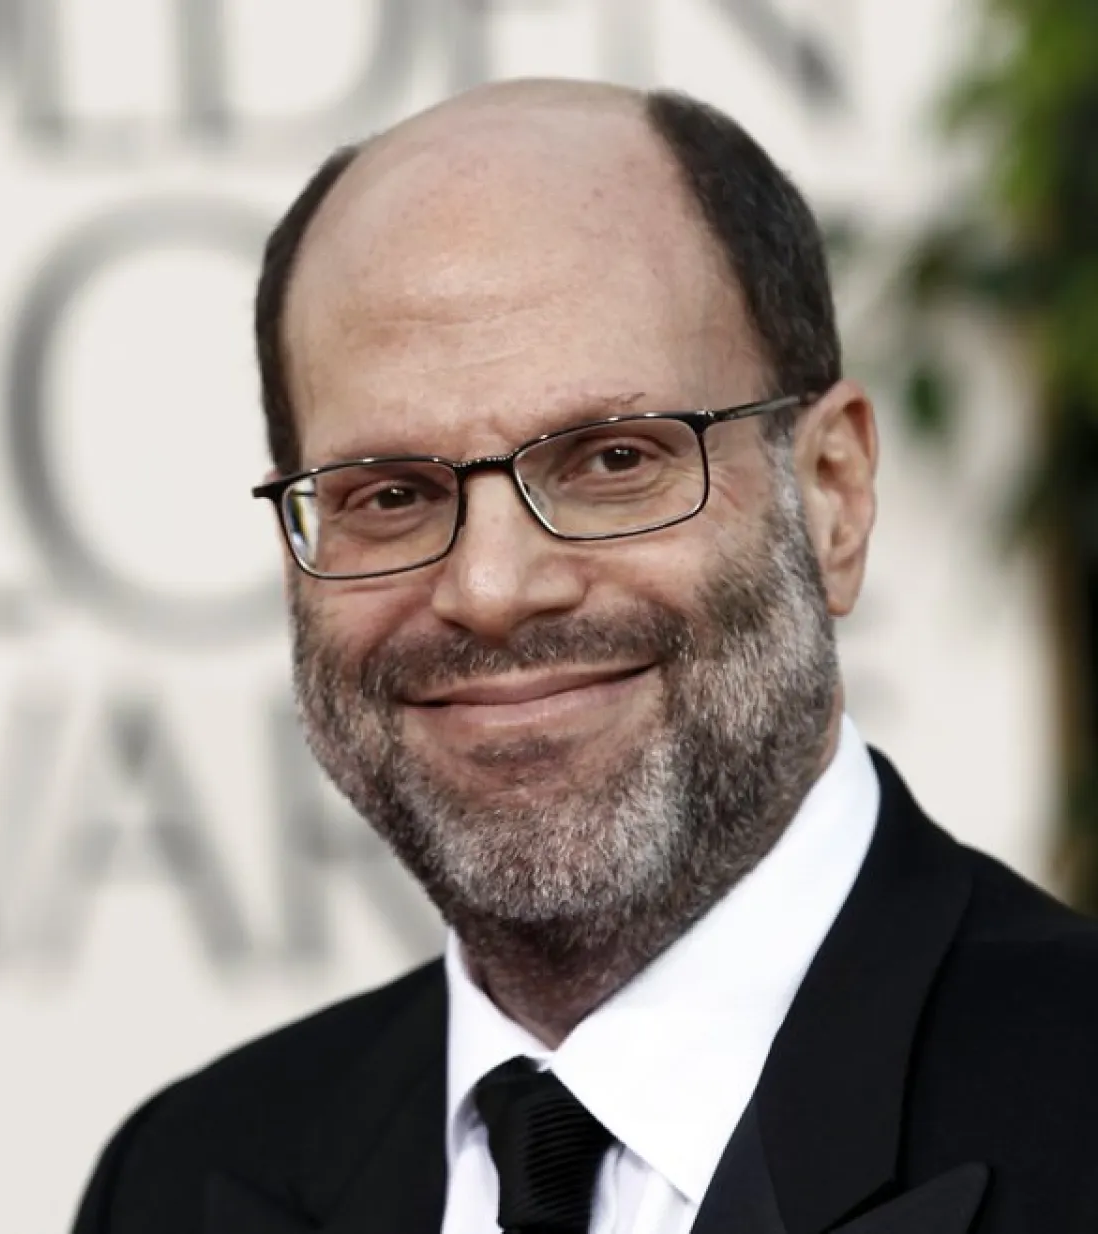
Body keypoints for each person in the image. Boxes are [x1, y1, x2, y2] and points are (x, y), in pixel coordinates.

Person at [71, 79, 1098, 1234]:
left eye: (613, 461)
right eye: (392, 494)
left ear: (833, 497)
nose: (494, 591)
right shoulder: (179, 1180)